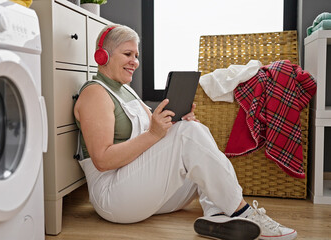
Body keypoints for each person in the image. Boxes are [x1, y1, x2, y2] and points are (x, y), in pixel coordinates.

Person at [73, 24, 297, 240]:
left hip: (139, 190)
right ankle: (243, 213)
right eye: (127, 54)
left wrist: (176, 123)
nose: (135, 62)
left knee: (195, 131)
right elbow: (102, 160)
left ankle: (217, 214)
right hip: (113, 198)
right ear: (103, 56)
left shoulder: (127, 91)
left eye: (136, 55)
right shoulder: (96, 93)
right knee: (188, 134)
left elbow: (158, 136)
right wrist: (158, 133)